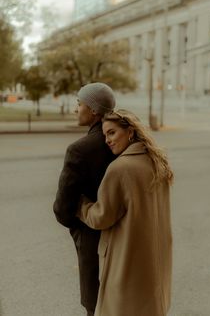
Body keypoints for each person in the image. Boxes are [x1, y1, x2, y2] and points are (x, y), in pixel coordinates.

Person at [77, 109, 174, 316]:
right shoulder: (158, 163)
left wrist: (80, 206)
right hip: (155, 262)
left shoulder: (120, 168)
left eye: (112, 133)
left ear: (130, 132)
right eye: (105, 135)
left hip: (127, 263)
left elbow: (101, 217)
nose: (107, 140)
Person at [53, 82, 116, 316]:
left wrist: (78, 228)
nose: (74, 109)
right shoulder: (122, 141)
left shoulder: (79, 150)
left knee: (94, 302)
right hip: (121, 233)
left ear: (93, 110)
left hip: (91, 235)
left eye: (78, 104)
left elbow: (62, 209)